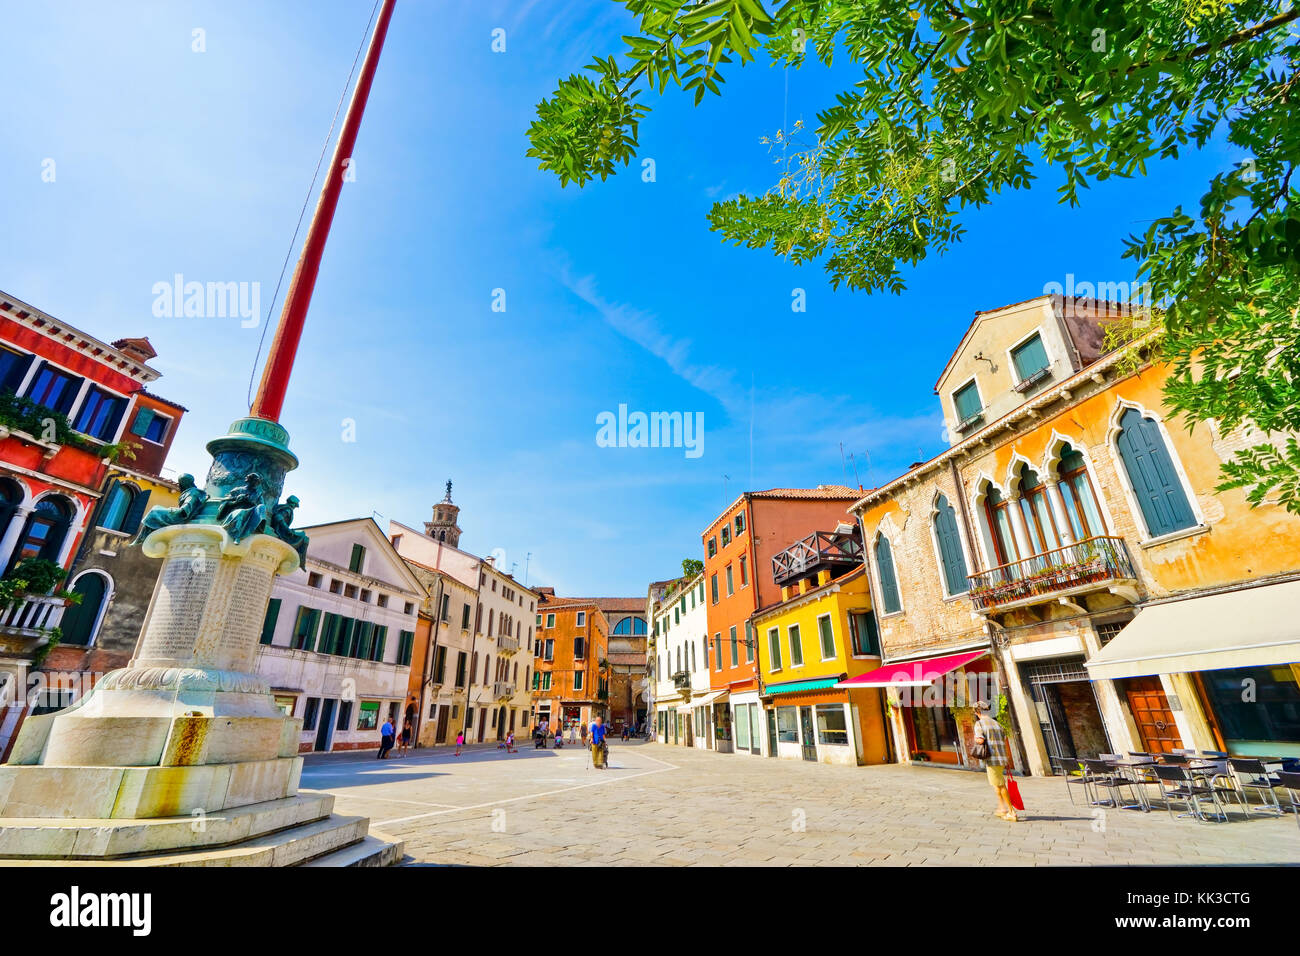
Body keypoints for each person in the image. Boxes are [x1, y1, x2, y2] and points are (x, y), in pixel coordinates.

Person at [972, 700, 1017, 822]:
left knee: (1001, 785)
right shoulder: (997, 724)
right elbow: (1004, 739)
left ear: (977, 712)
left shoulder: (979, 724)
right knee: (997, 784)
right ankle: (1002, 808)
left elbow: (980, 740)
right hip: (1002, 757)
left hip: (992, 758)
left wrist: (976, 739)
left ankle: (1012, 812)